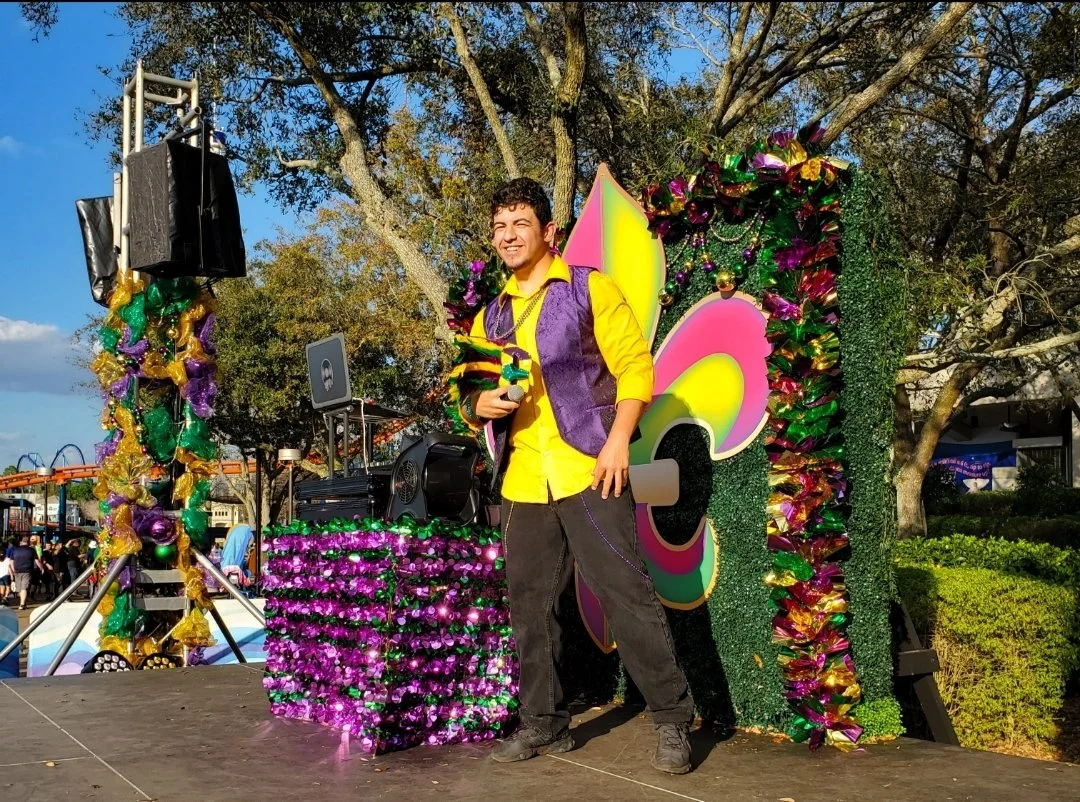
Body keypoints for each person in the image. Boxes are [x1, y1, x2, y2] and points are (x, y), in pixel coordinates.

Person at [460, 178, 694, 774]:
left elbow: (635, 367)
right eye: (499, 228)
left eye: (520, 225)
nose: (509, 236)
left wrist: (619, 441)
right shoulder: (490, 317)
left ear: (547, 231)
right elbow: (473, 390)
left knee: (627, 593)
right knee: (530, 607)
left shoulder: (588, 288)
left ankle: (672, 719)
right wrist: (477, 406)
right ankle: (544, 724)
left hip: (590, 465)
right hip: (522, 480)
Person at [11, 536, 44, 610]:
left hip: (17, 571)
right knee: (24, 587)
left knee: (20, 588)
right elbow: (37, 561)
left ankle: (22, 602)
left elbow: (11, 561)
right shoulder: (31, 550)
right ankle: (22, 604)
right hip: (27, 571)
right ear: (28, 542)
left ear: (21, 542)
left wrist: (13, 570)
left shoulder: (15, 550)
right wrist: (41, 568)